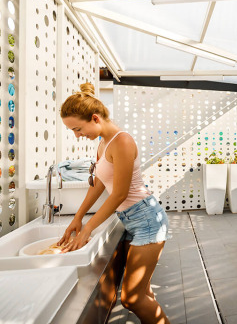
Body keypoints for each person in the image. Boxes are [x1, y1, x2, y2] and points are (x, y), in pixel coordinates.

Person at [58, 82, 170, 324]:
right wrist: (78, 217)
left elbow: (118, 194)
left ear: (95, 118)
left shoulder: (122, 142)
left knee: (132, 298)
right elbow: (98, 184)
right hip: (132, 220)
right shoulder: (103, 143)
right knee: (144, 293)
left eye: (77, 129)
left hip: (148, 220)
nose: (77, 136)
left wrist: (88, 228)